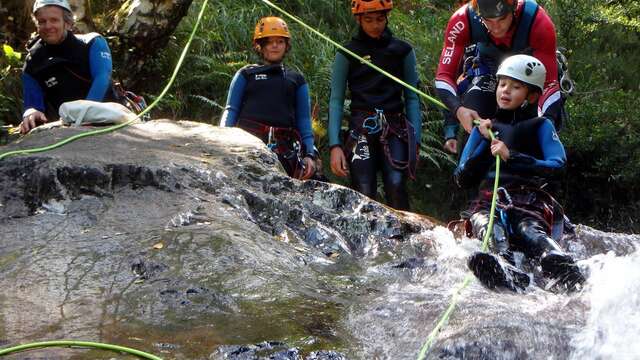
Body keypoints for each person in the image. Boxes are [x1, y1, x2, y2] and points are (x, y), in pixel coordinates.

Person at [454, 54, 584, 292]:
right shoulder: (484, 129)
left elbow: (558, 165)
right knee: (488, 227)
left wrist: (512, 156)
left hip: (529, 201)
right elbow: (462, 177)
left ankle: (556, 261)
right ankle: (504, 266)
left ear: (532, 96)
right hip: (488, 202)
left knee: (528, 230)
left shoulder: (541, 126)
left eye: (515, 87)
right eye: (502, 84)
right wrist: (485, 144)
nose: (505, 91)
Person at [435, 0, 564, 154]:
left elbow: (549, 83)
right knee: (476, 116)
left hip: (527, 74)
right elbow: (444, 76)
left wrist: (547, 121)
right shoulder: (463, 18)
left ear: (514, 9)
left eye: (502, 19)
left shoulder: (538, 21)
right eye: (487, 20)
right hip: (487, 67)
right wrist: (458, 110)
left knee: (533, 129)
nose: (495, 27)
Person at [328, 0, 421, 211]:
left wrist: (416, 142)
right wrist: (335, 145)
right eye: (368, 20)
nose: (375, 25)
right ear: (359, 19)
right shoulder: (348, 53)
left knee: (396, 185)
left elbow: (413, 98)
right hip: (361, 128)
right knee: (364, 190)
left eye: (380, 19)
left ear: (387, 17)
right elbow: (336, 100)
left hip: (394, 128)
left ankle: (403, 238)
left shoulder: (402, 51)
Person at [220, 16, 315, 180]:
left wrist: (309, 154)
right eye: (269, 42)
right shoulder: (246, 74)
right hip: (246, 144)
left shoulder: (296, 79)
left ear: (286, 46)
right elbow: (231, 110)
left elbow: (304, 120)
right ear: (260, 46)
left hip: (284, 148)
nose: (275, 46)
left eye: (280, 41)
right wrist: (221, 139)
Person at [20, 0, 117, 134]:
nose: (48, 26)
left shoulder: (93, 43)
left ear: (68, 24)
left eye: (54, 20)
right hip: (65, 127)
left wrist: (82, 117)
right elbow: (33, 103)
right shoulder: (33, 61)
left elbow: (102, 78)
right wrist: (31, 113)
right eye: (42, 21)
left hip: (110, 117)